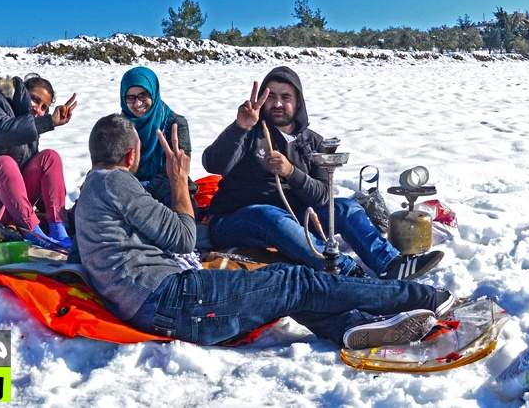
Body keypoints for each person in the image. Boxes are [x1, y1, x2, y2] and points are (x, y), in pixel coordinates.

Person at [74, 114, 454, 349]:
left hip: (161, 302)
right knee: (297, 280)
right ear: (130, 156)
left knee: (285, 293)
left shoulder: (92, 189)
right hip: (173, 299)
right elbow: (184, 236)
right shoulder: (116, 183)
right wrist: (177, 182)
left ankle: (354, 328)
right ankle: (422, 297)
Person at [202, 66, 444, 280]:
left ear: (298, 102)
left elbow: (322, 197)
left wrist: (291, 172)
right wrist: (240, 127)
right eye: (271, 97)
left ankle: (390, 263)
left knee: (346, 208)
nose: (277, 104)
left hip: (292, 219)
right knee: (269, 215)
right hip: (236, 220)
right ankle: (345, 270)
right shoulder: (249, 132)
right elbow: (213, 164)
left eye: (285, 97)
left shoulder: (313, 143)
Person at [0, 74, 77, 250]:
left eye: (44, 107)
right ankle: (34, 233)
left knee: (49, 157)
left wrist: (49, 209)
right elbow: (2, 131)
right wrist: (47, 122)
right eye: (34, 99)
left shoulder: (28, 127)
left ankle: (59, 230)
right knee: (4, 164)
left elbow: (35, 176)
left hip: (9, 209)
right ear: (22, 92)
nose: (38, 109)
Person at [120, 66, 196, 206]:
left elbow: (179, 168)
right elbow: (109, 163)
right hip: (129, 188)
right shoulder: (118, 126)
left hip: (167, 186)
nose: (137, 103)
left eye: (143, 95)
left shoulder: (175, 124)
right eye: (130, 98)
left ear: (153, 93)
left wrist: (145, 191)